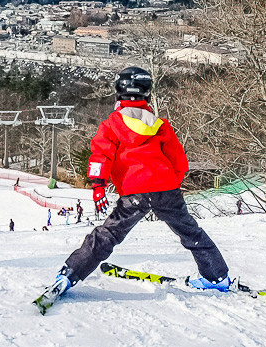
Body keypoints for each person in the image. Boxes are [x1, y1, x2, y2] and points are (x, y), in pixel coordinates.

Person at [44, 67, 231, 302]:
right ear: (147, 94)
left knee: (108, 235)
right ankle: (217, 277)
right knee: (190, 232)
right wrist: (171, 183)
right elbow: (179, 161)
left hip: (134, 192)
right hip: (166, 189)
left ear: (118, 92)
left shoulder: (112, 124)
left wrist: (98, 185)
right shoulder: (160, 125)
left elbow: (100, 155)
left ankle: (70, 274)